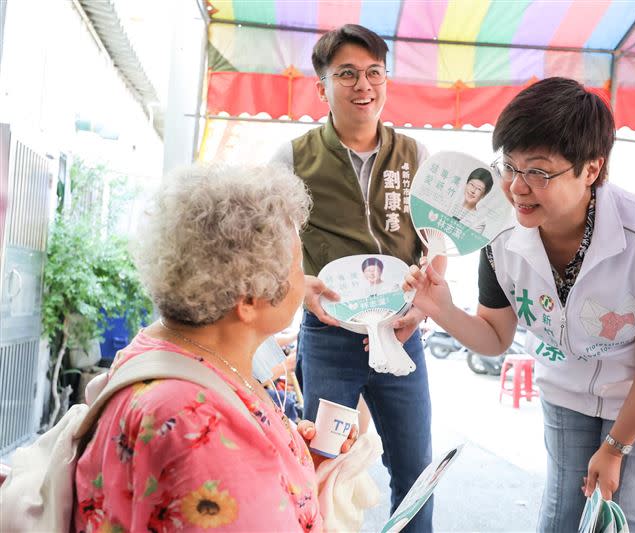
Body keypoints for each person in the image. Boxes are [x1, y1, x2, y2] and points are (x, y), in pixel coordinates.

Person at [405, 77, 635, 533]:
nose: (516, 188)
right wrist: (440, 306)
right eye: (509, 166)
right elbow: (495, 336)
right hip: (567, 385)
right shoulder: (497, 235)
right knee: (563, 513)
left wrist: (616, 447)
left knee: (629, 512)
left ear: (591, 169)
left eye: (538, 172)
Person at [73, 163, 357, 532]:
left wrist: (302, 466)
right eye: (298, 266)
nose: (306, 282)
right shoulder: (199, 426)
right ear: (250, 298)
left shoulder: (162, 351)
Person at [272, 24, 443, 532]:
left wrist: (423, 304)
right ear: (321, 86)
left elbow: (437, 244)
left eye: (374, 73)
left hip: (401, 334)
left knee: (415, 468)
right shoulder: (292, 158)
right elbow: (269, 242)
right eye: (346, 73)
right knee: (323, 466)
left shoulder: (416, 157)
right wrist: (301, 286)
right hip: (328, 335)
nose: (363, 85)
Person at [451, 167, 493, 232]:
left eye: (479, 189)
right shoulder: (450, 204)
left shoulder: (480, 222)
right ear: (466, 184)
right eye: (472, 185)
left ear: (484, 195)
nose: (473, 190)